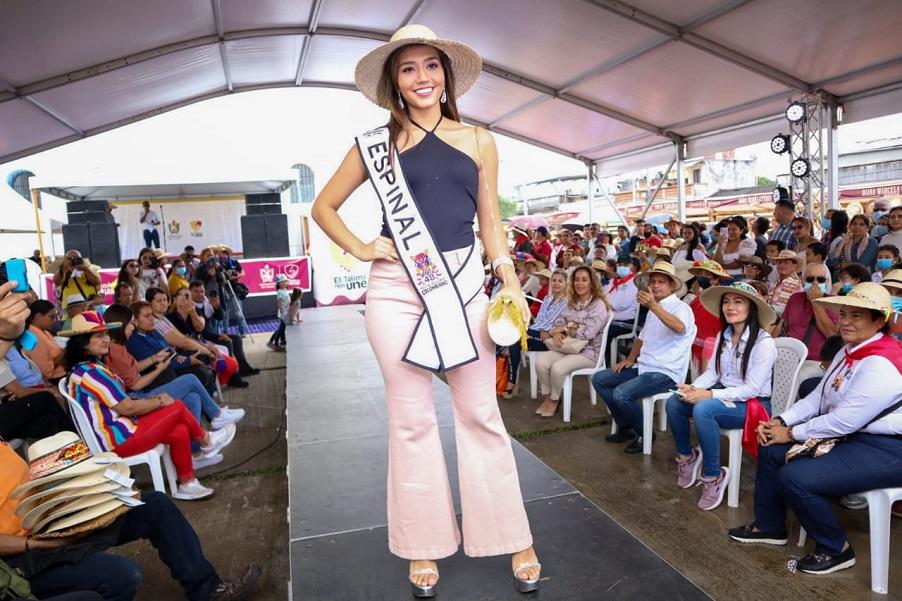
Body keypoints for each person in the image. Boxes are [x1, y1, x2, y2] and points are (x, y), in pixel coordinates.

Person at [309, 24, 540, 595]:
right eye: (408, 68)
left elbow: (491, 222)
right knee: (410, 421)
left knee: (481, 413)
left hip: (462, 285)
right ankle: (422, 543)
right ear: (394, 81)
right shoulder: (374, 144)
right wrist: (362, 247)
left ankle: (513, 536)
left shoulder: (479, 140)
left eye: (431, 65)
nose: (421, 77)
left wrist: (509, 279)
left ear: (446, 75)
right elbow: (324, 206)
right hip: (394, 288)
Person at [729, 282, 902, 576]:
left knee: (796, 478)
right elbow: (818, 397)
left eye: (857, 316)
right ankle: (770, 526)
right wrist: (782, 421)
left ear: (879, 321)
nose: (845, 321)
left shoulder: (880, 361)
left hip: (888, 450)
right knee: (771, 449)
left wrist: (791, 434)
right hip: (853, 438)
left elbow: (844, 421)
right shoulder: (849, 350)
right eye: (844, 314)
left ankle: (836, 549)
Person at [0, 435, 261, 600]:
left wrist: (79, 505)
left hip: (54, 524)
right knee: (123, 575)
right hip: (22, 558)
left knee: (155, 506)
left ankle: (207, 591)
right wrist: (37, 544)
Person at [60, 311, 235, 500]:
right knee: (176, 407)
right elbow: (127, 408)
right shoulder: (90, 373)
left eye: (106, 334)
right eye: (99, 336)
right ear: (83, 343)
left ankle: (188, 484)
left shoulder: (85, 369)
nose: (107, 339)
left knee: (180, 430)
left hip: (122, 431)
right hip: (117, 440)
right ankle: (206, 440)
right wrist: (159, 401)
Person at [666, 281, 777, 510]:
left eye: (738, 302)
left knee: (704, 409)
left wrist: (709, 394)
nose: (730, 307)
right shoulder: (724, 335)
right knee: (674, 402)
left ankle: (713, 475)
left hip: (753, 405)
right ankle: (687, 457)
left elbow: (752, 389)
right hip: (726, 396)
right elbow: (713, 372)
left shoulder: (763, 342)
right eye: (726, 302)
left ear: (751, 308)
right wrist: (693, 387)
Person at [102, 303, 242, 469]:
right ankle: (216, 415)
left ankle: (194, 453)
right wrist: (159, 369)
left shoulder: (120, 346)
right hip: (139, 398)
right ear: (121, 325)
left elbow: (134, 368)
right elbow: (136, 384)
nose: (133, 326)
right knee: (190, 379)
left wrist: (155, 359)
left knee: (193, 398)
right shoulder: (117, 350)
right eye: (131, 323)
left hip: (139, 394)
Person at [593, 262, 696, 454]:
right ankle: (627, 426)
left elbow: (679, 327)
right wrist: (630, 359)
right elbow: (641, 338)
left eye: (661, 282)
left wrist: (654, 306)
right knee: (600, 379)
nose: (655, 285)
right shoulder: (654, 308)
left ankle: (644, 433)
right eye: (653, 281)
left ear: (672, 286)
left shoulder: (681, 308)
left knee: (621, 393)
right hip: (644, 367)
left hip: (666, 373)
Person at [532, 266, 610, 418]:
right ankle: (547, 396)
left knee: (558, 367)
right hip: (568, 346)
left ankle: (554, 400)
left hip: (589, 353)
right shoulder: (572, 302)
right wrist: (557, 332)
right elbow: (559, 320)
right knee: (541, 362)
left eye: (584, 280)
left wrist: (566, 329)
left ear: (592, 283)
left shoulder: (598, 305)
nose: (579, 283)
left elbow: (588, 333)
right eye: (577, 280)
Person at [503, 269, 566, 398]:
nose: (556, 283)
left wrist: (549, 331)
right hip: (536, 334)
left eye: (560, 281)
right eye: (554, 280)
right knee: (514, 339)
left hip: (550, 339)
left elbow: (564, 323)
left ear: (566, 284)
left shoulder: (567, 302)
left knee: (514, 336)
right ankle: (511, 381)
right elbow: (539, 321)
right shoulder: (547, 299)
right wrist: (536, 329)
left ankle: (511, 382)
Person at [780, 262, 839, 383]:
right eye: (810, 279)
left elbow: (831, 335)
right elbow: (782, 326)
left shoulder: (833, 303)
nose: (815, 283)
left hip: (816, 362)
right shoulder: (795, 298)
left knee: (797, 377)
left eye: (820, 279)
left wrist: (815, 301)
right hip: (790, 356)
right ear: (803, 281)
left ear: (826, 282)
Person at [187, 281, 259, 376]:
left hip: (211, 335)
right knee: (227, 342)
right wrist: (218, 336)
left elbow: (220, 317)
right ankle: (233, 375)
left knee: (237, 339)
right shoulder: (190, 308)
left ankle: (243, 367)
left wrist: (217, 307)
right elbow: (199, 330)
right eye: (196, 291)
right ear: (190, 293)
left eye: (202, 291)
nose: (199, 294)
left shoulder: (207, 304)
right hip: (201, 339)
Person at [686, 260, 729, 373]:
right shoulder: (698, 297)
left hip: (712, 347)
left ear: (716, 279)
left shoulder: (722, 299)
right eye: (700, 274)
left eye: (707, 275)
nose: (702, 277)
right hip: (694, 345)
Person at [22, 300, 65, 382]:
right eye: (51, 317)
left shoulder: (43, 332)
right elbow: (45, 370)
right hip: (55, 379)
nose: (54, 321)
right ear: (38, 316)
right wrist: (63, 354)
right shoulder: (34, 337)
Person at [766, 250, 803, 317]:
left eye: (786, 263)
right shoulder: (774, 284)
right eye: (780, 262)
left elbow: (796, 308)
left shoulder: (797, 285)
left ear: (794, 266)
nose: (782, 265)